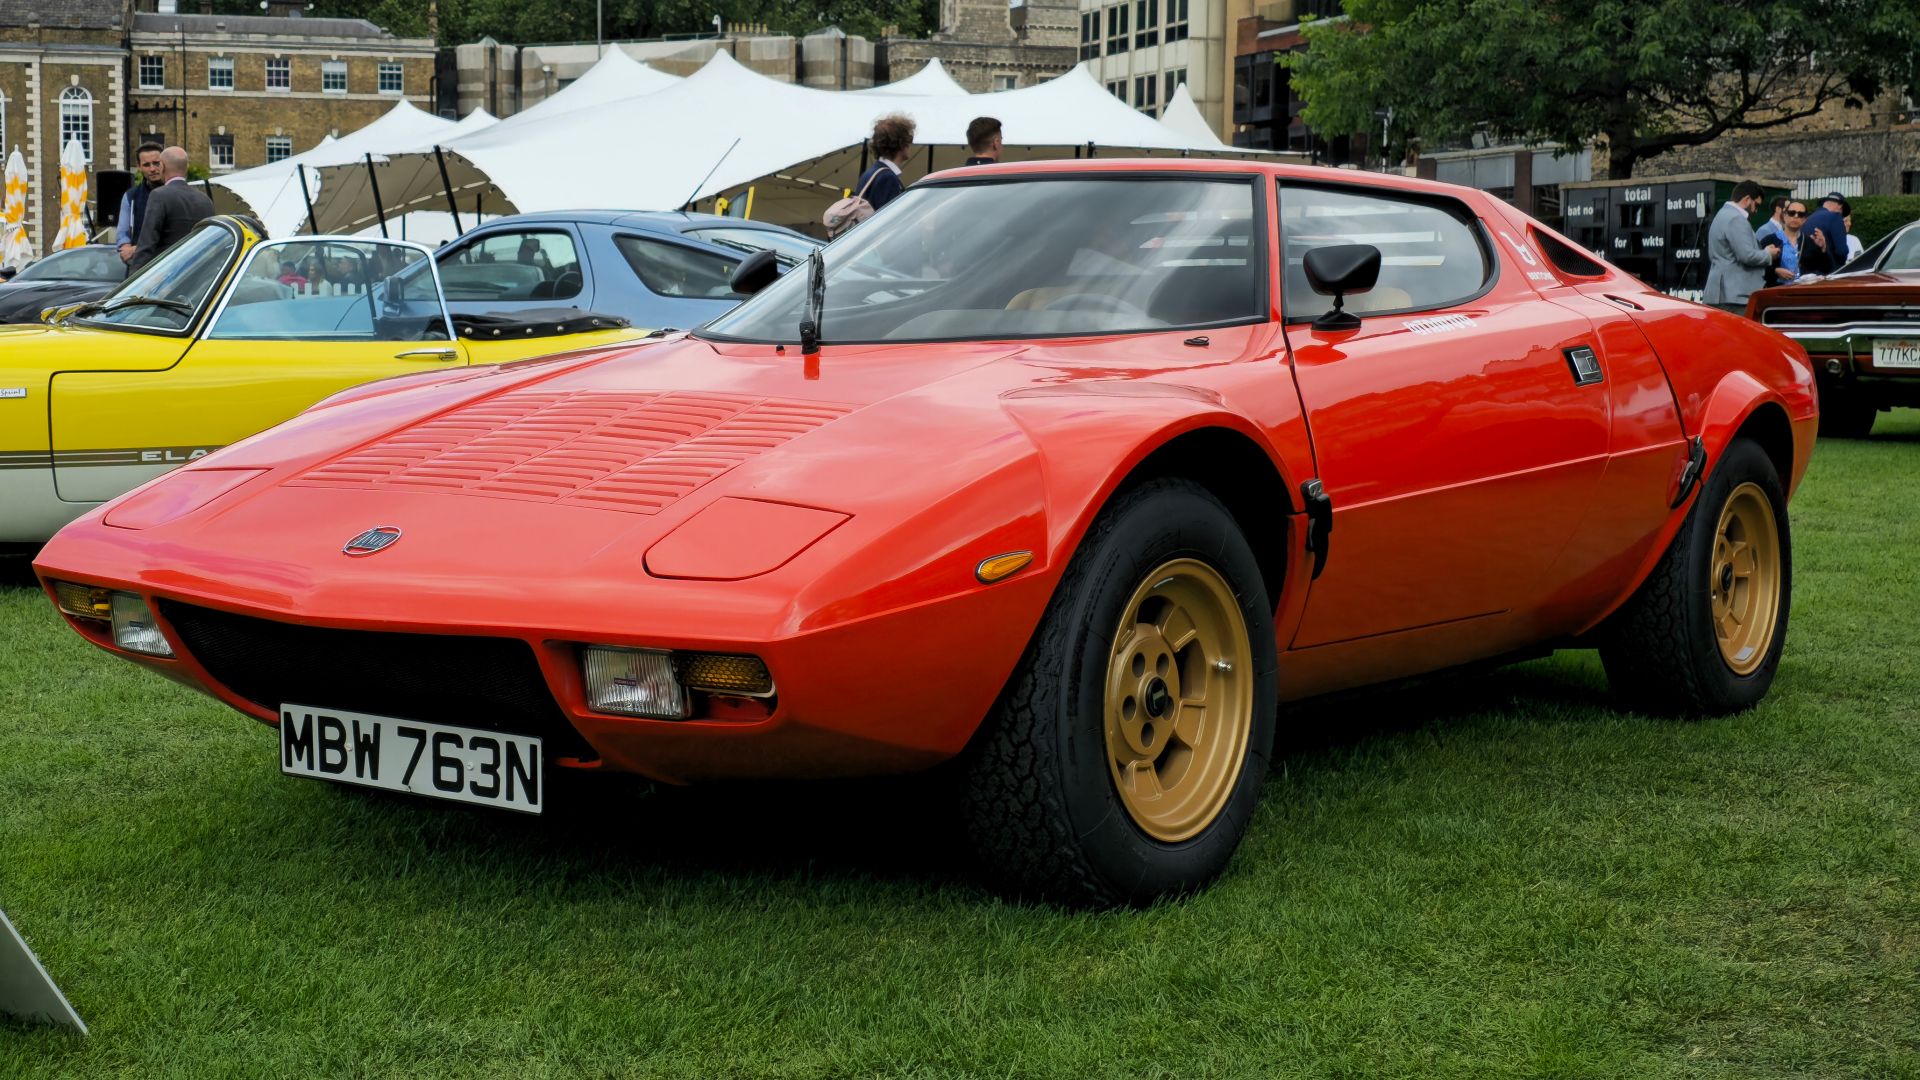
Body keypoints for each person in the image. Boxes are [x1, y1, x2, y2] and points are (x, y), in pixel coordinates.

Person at [129, 146, 214, 272]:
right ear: (187, 167)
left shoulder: (159, 195)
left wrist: (132, 282)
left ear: (162, 166)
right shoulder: (206, 200)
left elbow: (147, 244)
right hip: (198, 275)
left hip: (167, 275)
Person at [1703, 180, 1777, 314]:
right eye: (1756, 204)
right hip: (1734, 297)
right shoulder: (1736, 219)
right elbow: (1747, 256)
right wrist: (1768, 253)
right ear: (1747, 199)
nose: (1756, 210)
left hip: (1722, 294)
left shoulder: (1722, 214)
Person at [854, 113, 915, 214]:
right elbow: (890, 219)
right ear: (901, 143)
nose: (910, 144)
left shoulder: (871, 173)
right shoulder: (887, 178)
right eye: (908, 139)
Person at [115, 143, 164, 264]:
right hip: (140, 267)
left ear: (164, 163)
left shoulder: (175, 192)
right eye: (146, 165)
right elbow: (122, 233)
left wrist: (135, 249)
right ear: (139, 166)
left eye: (156, 163)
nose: (152, 169)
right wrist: (125, 247)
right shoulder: (131, 196)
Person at [1797, 193, 1850, 277]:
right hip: (1827, 274)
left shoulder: (1808, 219)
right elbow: (1842, 251)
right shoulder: (1835, 217)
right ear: (1840, 206)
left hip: (1805, 274)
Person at [1767, 200, 1807, 285]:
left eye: (1800, 214)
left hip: (1803, 292)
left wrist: (1824, 248)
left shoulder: (1809, 242)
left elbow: (1825, 269)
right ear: (1784, 216)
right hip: (1776, 292)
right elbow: (1757, 266)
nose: (1796, 216)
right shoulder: (1769, 240)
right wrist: (1775, 270)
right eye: (1792, 213)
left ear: (1804, 219)